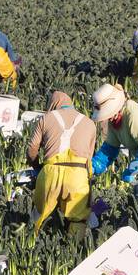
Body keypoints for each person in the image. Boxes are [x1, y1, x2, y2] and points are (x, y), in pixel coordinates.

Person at [26, 91, 96, 234]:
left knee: (40, 215)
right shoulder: (90, 123)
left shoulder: (46, 118)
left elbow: (32, 149)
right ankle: (73, 250)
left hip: (51, 172)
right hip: (78, 174)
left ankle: (33, 245)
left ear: (52, 104)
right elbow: (90, 155)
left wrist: (36, 166)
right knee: (78, 219)